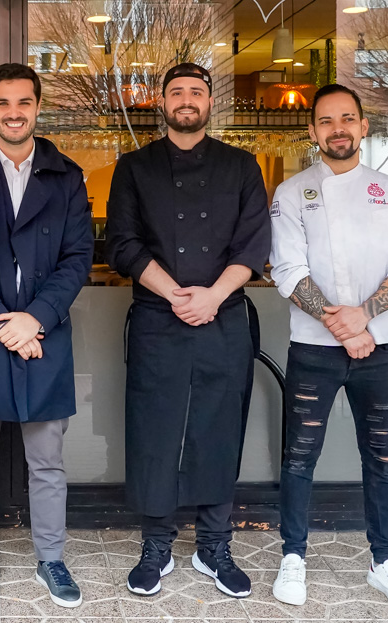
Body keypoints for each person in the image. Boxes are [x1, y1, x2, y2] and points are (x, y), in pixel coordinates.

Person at [106, 62, 270, 599]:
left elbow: (253, 246)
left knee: (218, 427)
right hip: (158, 316)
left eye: (195, 92)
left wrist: (213, 296)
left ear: (209, 102)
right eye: (176, 92)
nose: (186, 100)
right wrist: (176, 294)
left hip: (224, 315)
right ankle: (156, 543)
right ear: (162, 102)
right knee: (156, 429)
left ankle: (214, 544)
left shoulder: (242, 166)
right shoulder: (134, 166)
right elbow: (123, 245)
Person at [0, 63, 93, 609]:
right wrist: (3, 324)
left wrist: (37, 319)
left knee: (47, 460)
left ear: (37, 106)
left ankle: (52, 560)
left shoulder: (67, 176)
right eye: (3, 103)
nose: (13, 112)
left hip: (43, 334)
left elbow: (79, 257)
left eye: (23, 102)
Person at [268, 84, 388, 613]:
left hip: (378, 349)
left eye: (348, 119)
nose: (338, 128)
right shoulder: (291, 193)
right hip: (313, 348)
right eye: (327, 121)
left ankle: (385, 562)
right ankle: (293, 555)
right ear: (312, 131)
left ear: (362, 127)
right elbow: (288, 271)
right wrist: (346, 325)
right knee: (298, 459)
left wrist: (366, 316)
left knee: (382, 458)